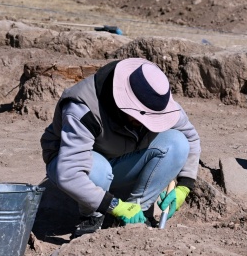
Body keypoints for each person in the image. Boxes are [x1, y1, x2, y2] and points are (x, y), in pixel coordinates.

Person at [41, 58, 201, 237]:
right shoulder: (83, 108)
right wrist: (115, 206)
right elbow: (69, 173)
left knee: (177, 142)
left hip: (120, 159)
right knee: (100, 170)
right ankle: (91, 216)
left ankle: (137, 213)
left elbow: (191, 138)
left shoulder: (156, 100)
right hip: (74, 164)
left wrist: (185, 186)